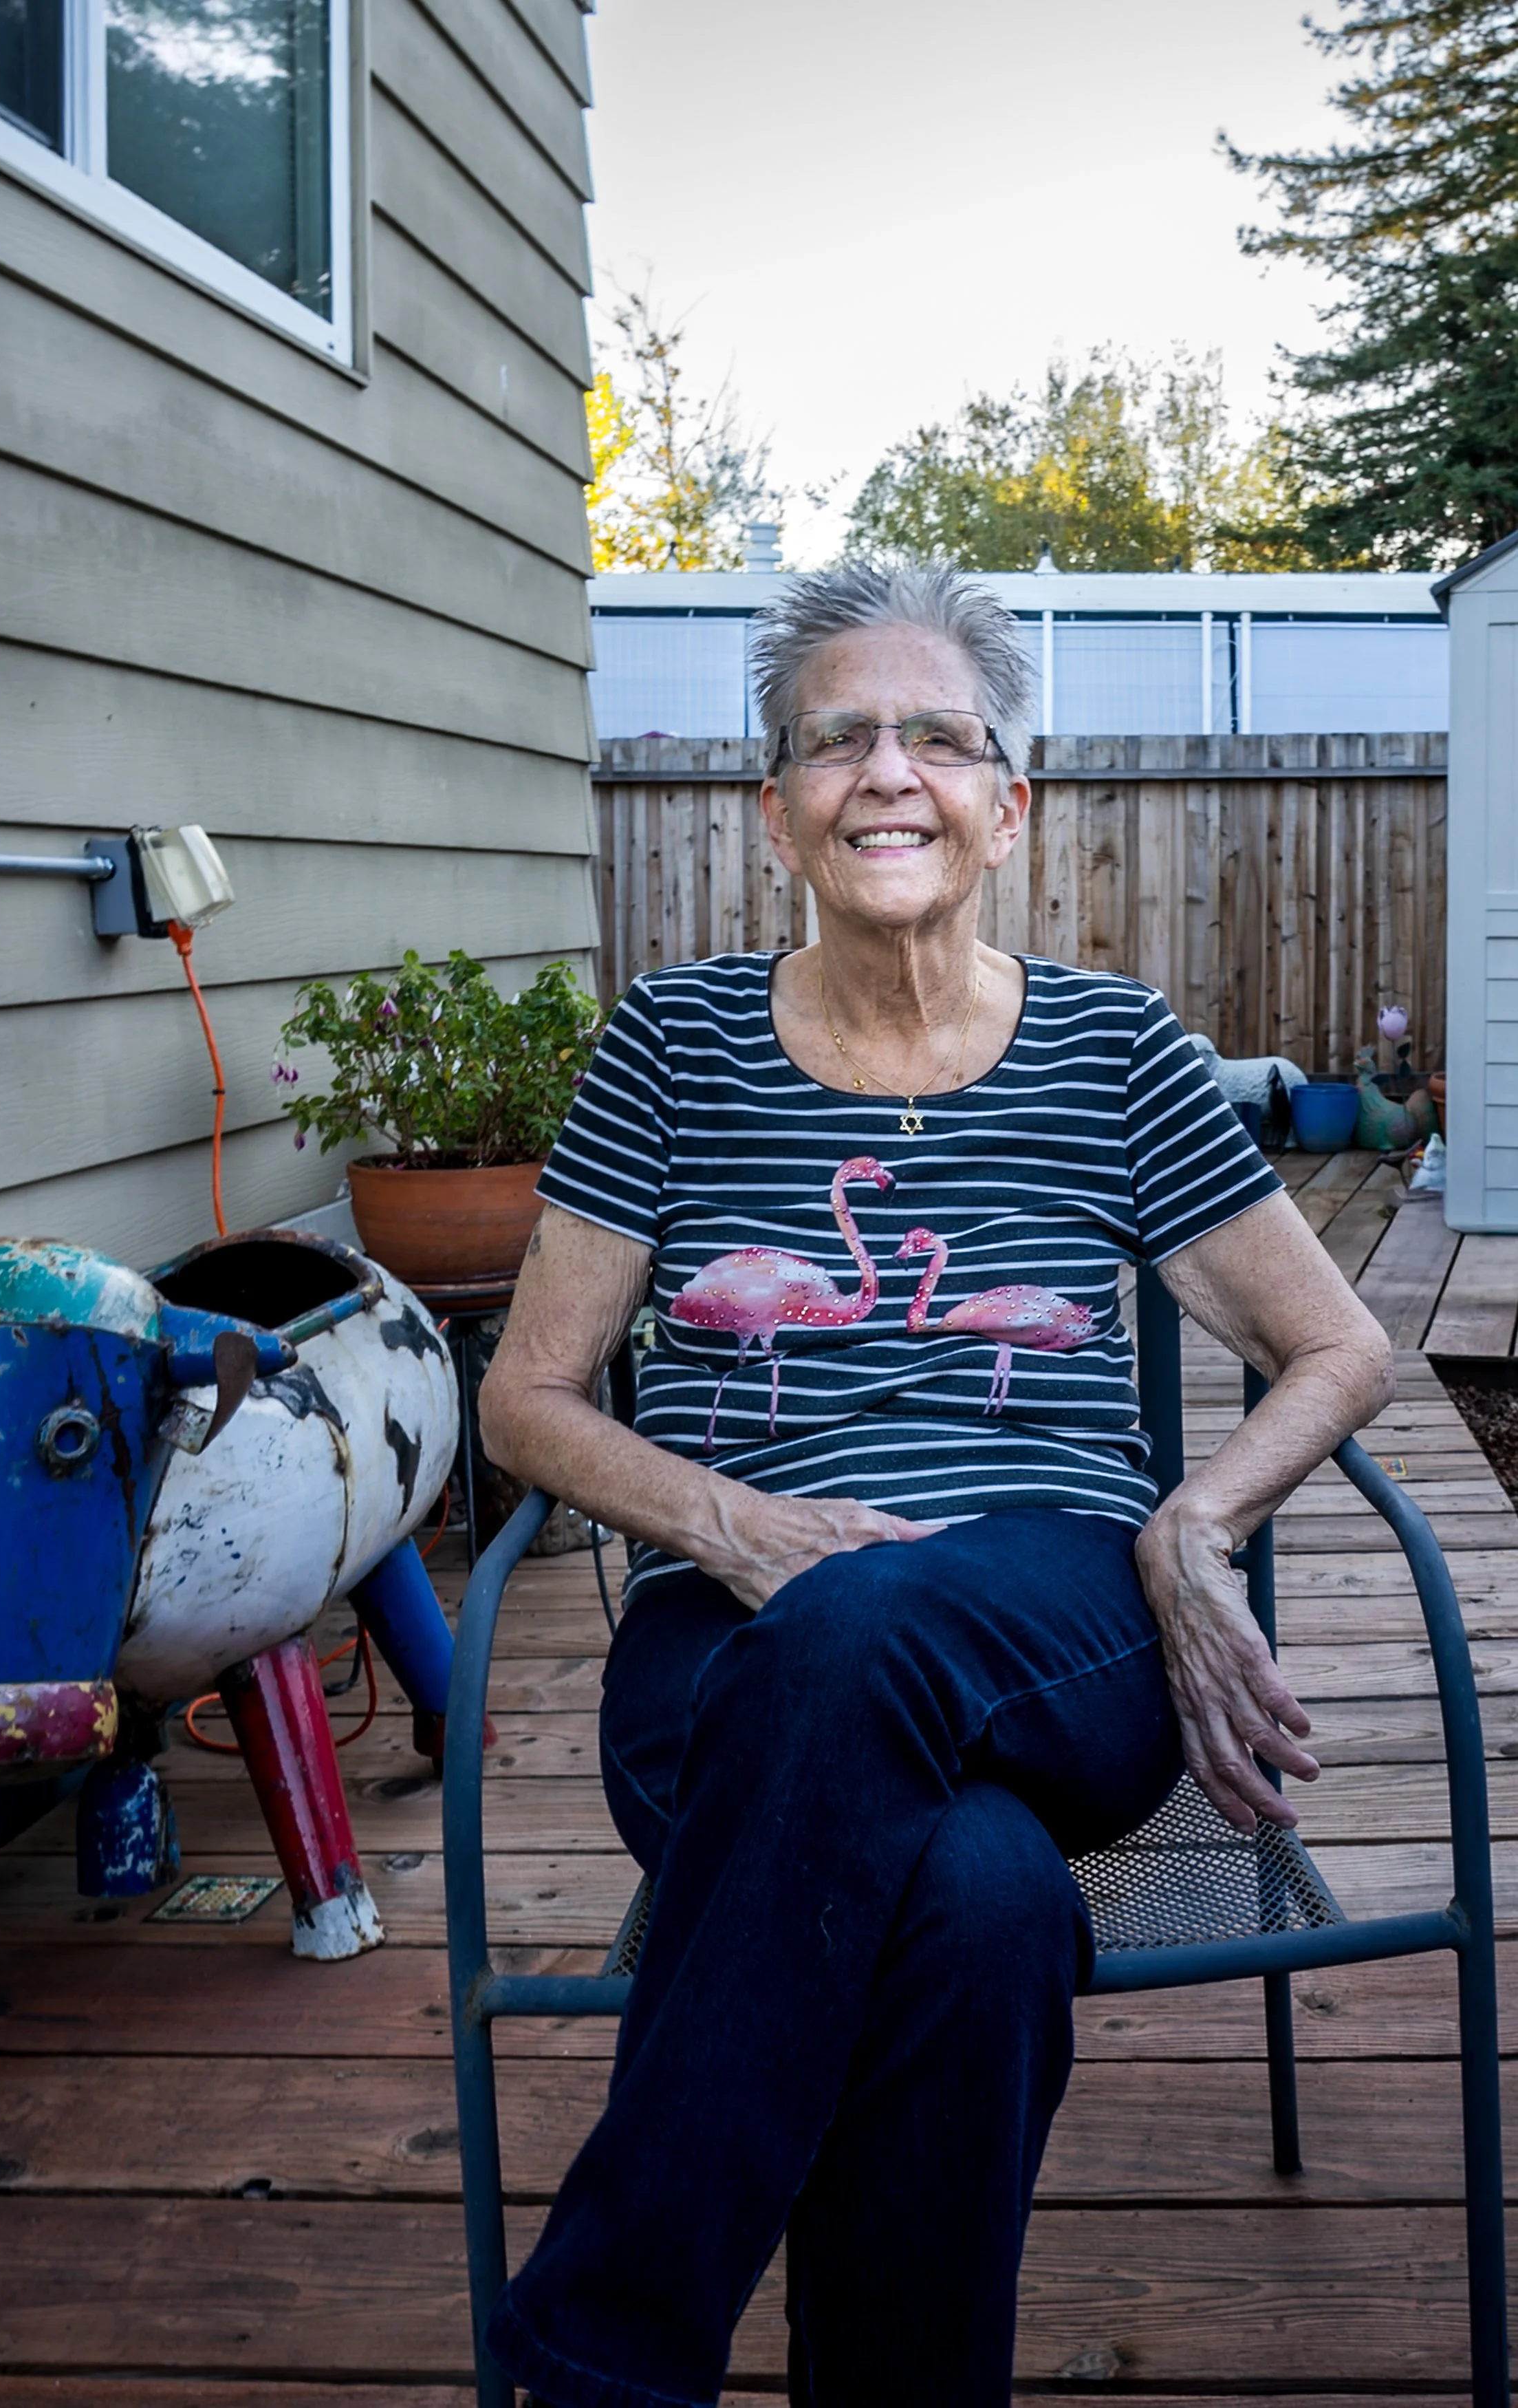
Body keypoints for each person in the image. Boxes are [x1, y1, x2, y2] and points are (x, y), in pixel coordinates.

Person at [476, 561, 1391, 2408]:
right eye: (837, 738)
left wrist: (1191, 1517)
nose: (886, 771)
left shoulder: (1115, 1052)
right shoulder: (666, 1048)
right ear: (775, 807)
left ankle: (598, 2348)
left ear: (1005, 802)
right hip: (715, 1651)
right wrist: (735, 1524)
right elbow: (526, 1398)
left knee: (874, 1614)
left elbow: (1338, 1344)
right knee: (980, 1906)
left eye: (935, 737)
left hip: (1057, 1623)